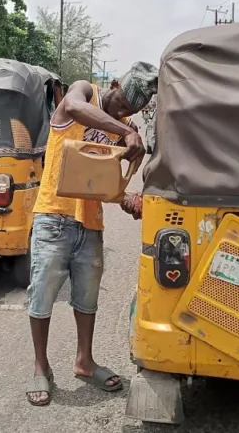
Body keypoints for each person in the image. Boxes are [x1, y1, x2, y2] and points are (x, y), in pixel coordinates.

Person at [26, 62, 158, 406]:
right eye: (119, 105)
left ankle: (84, 361)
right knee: (42, 294)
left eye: (130, 112)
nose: (122, 113)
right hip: (53, 216)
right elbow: (71, 106)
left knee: (86, 299)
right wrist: (127, 132)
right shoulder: (84, 92)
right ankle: (41, 367)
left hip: (91, 224)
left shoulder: (123, 130)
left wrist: (127, 198)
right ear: (113, 84)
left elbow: (103, 182)